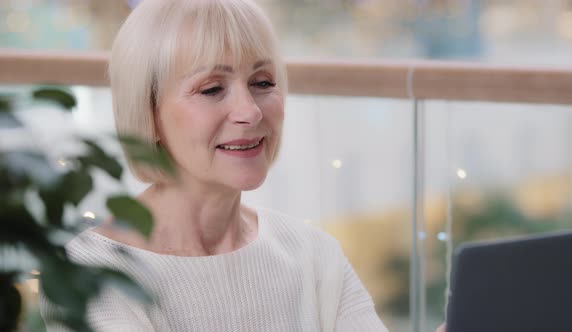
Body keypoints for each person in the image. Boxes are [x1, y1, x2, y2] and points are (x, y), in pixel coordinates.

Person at [40, 0, 388, 331]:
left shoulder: (314, 256)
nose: (250, 111)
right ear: (149, 113)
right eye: (211, 89)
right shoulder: (93, 272)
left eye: (262, 82)